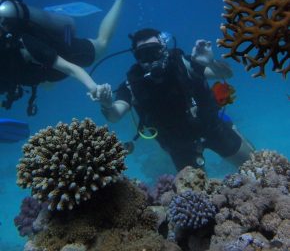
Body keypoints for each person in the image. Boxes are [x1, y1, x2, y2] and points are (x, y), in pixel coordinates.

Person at [98, 28, 254, 171]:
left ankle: (228, 123)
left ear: (164, 49)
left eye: (154, 52)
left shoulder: (184, 64)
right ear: (135, 57)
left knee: (256, 168)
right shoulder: (132, 84)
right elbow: (115, 115)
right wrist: (107, 104)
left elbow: (226, 74)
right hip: (178, 145)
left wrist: (210, 62)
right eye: (143, 54)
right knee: (195, 196)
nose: (150, 59)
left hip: (212, 127)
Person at [0, 0, 125, 115]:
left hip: (64, 52)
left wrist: (94, 88)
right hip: (43, 71)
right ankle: (57, 21)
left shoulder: (24, 45)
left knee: (102, 44)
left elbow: (70, 68)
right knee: (49, 85)